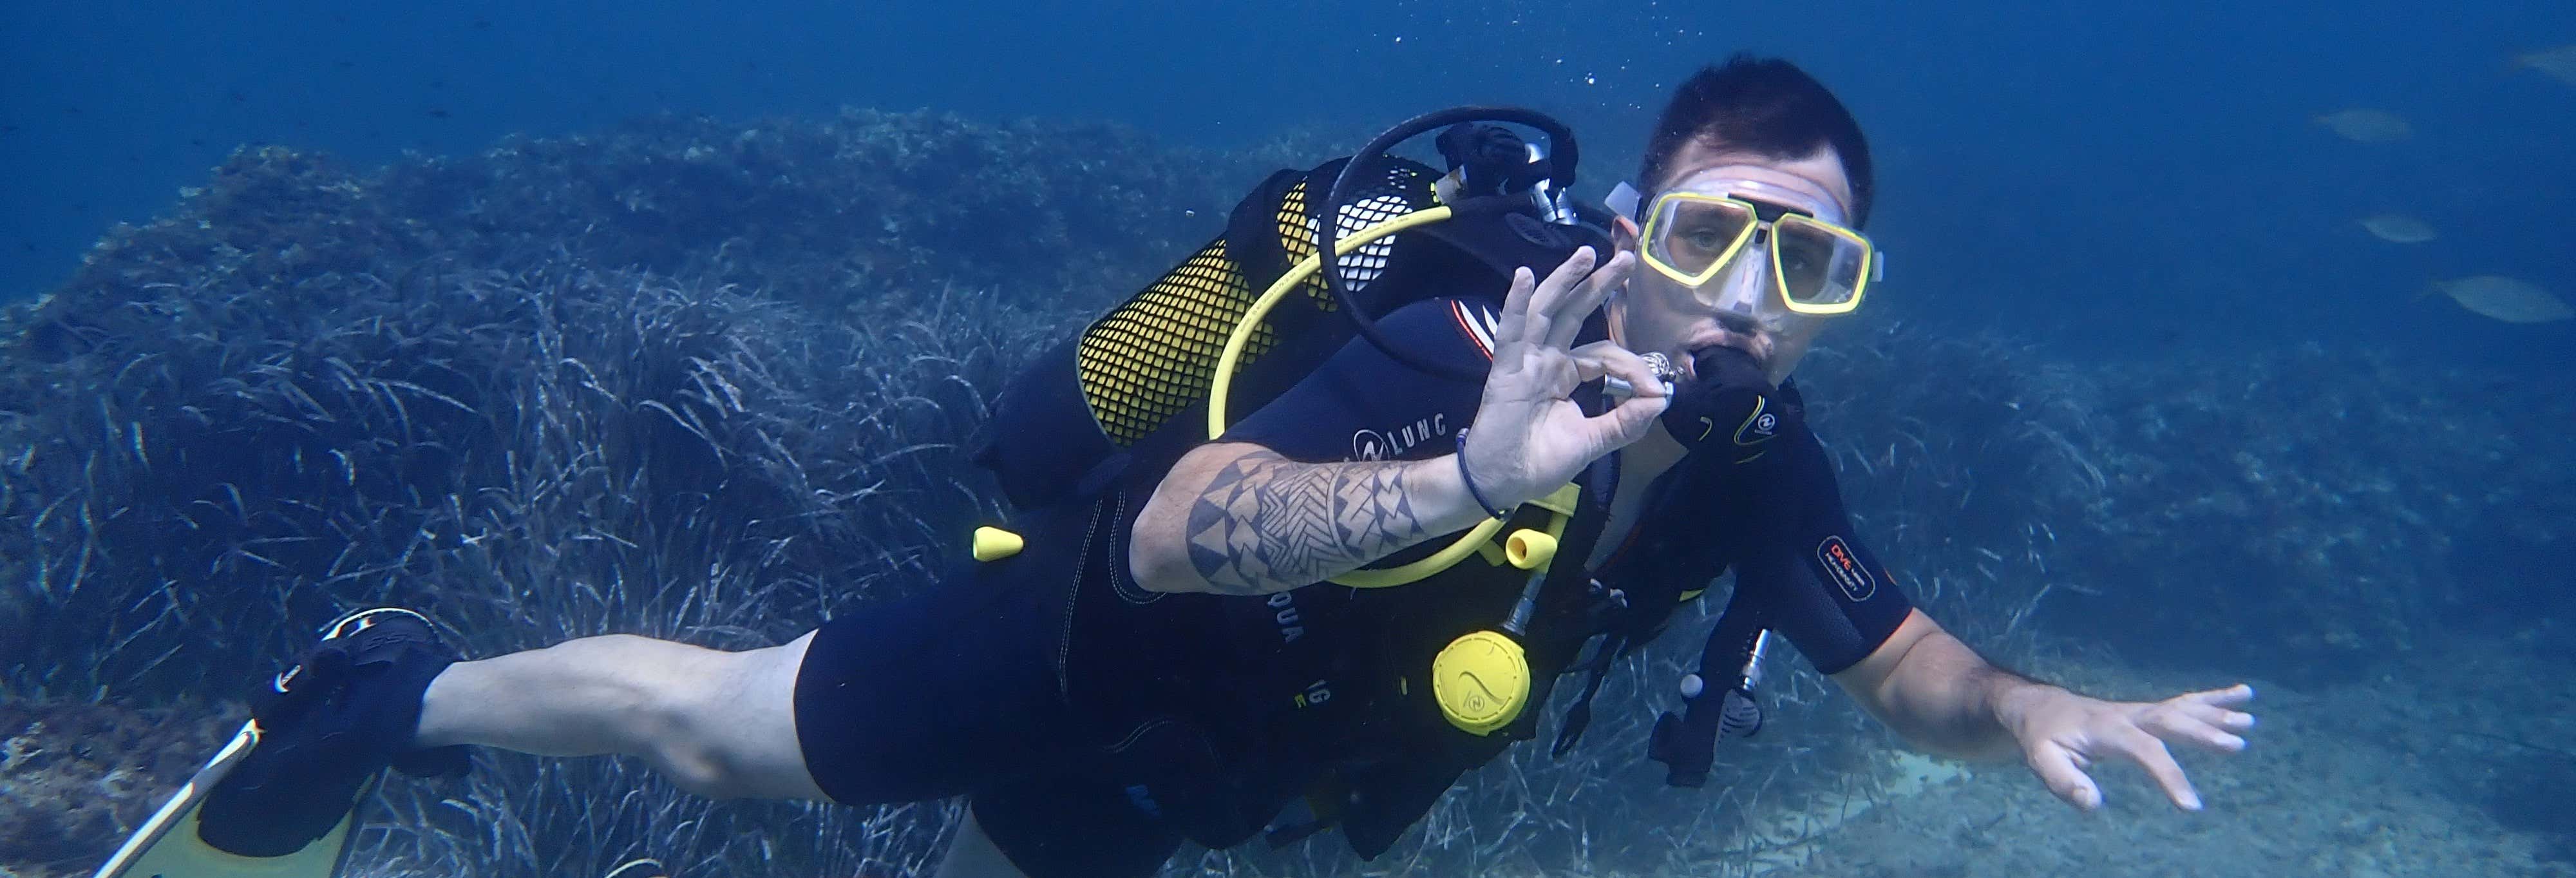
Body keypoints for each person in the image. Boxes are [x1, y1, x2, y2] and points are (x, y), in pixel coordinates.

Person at [198, 55, 2258, 878]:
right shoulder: (1463, 337)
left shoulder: (1746, 459)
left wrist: (2030, 704)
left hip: (1235, 779)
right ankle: (390, 686)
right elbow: (1185, 528)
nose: (1750, 297)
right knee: (717, 733)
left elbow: (1897, 659)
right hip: (1088, 653)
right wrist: (1463, 474)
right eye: (1718, 232)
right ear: (1635, 230)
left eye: (1813, 261)